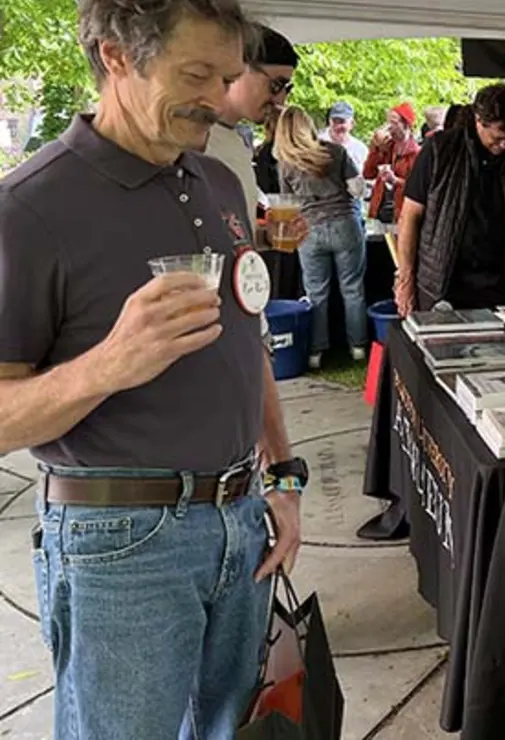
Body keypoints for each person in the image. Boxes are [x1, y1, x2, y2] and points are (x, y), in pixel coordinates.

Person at [0, 0, 307, 736]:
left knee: (236, 728)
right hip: (121, 545)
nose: (217, 96)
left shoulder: (218, 182)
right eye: (196, 73)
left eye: (228, 75)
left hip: (242, 521)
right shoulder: (28, 210)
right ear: (115, 57)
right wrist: (108, 363)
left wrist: (285, 476)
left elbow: (247, 341)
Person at [394, 83, 505, 315]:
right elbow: (409, 216)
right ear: (479, 120)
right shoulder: (439, 150)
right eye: (497, 138)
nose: (504, 145)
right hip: (443, 287)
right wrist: (405, 279)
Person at [275, 105, 369, 368]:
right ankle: (358, 347)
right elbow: (358, 189)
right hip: (344, 224)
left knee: (316, 293)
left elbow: (288, 202)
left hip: (309, 230)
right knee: (352, 289)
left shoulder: (285, 163)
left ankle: (316, 352)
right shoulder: (336, 151)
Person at [206, 23, 297, 228]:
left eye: (286, 88)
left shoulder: (235, 140)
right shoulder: (191, 141)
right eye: (276, 85)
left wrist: (265, 236)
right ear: (237, 67)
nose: (280, 101)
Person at [363, 102, 421, 224]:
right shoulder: (387, 147)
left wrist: (395, 181)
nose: (389, 127)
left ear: (406, 125)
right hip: (380, 213)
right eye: (388, 122)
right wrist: (376, 148)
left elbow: (418, 189)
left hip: (402, 216)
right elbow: (368, 173)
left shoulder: (416, 153)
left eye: (394, 123)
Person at [320, 100, 369, 172]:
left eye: (342, 122)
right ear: (329, 121)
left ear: (352, 124)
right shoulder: (317, 143)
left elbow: (365, 178)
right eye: (334, 121)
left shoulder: (360, 149)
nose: (337, 126)